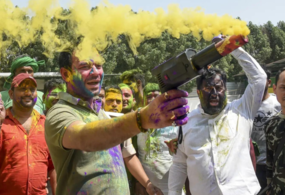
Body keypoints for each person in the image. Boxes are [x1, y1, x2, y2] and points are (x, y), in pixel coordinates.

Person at [44, 48, 189, 194]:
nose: (95, 72)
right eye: (84, 67)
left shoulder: (102, 114)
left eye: (99, 66)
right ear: (66, 74)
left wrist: (147, 184)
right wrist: (142, 118)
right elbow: (84, 137)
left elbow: (127, 155)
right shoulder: (60, 113)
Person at [169, 47, 266, 195]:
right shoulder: (186, 123)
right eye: (208, 88)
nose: (214, 93)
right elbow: (179, 164)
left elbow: (259, 79)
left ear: (225, 90)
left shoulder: (242, 110)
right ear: (199, 92)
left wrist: (234, 49)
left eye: (219, 88)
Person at [0, 74, 56, 195]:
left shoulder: (46, 124)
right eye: (22, 88)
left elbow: (53, 166)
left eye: (32, 89)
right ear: (10, 94)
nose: (28, 93)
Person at [103, 85, 164, 194]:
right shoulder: (92, 123)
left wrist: (147, 184)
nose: (114, 104)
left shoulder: (124, 126)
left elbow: (129, 156)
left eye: (118, 101)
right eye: (110, 100)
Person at [136, 83, 178, 194]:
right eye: (149, 97)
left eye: (156, 96)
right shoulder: (138, 123)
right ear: (144, 100)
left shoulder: (175, 122)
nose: (153, 100)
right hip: (146, 188)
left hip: (171, 189)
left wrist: (178, 146)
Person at [250, 67, 280, 190]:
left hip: (273, 164)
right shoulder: (246, 104)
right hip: (252, 164)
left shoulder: (277, 104)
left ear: (269, 83)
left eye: (260, 79)